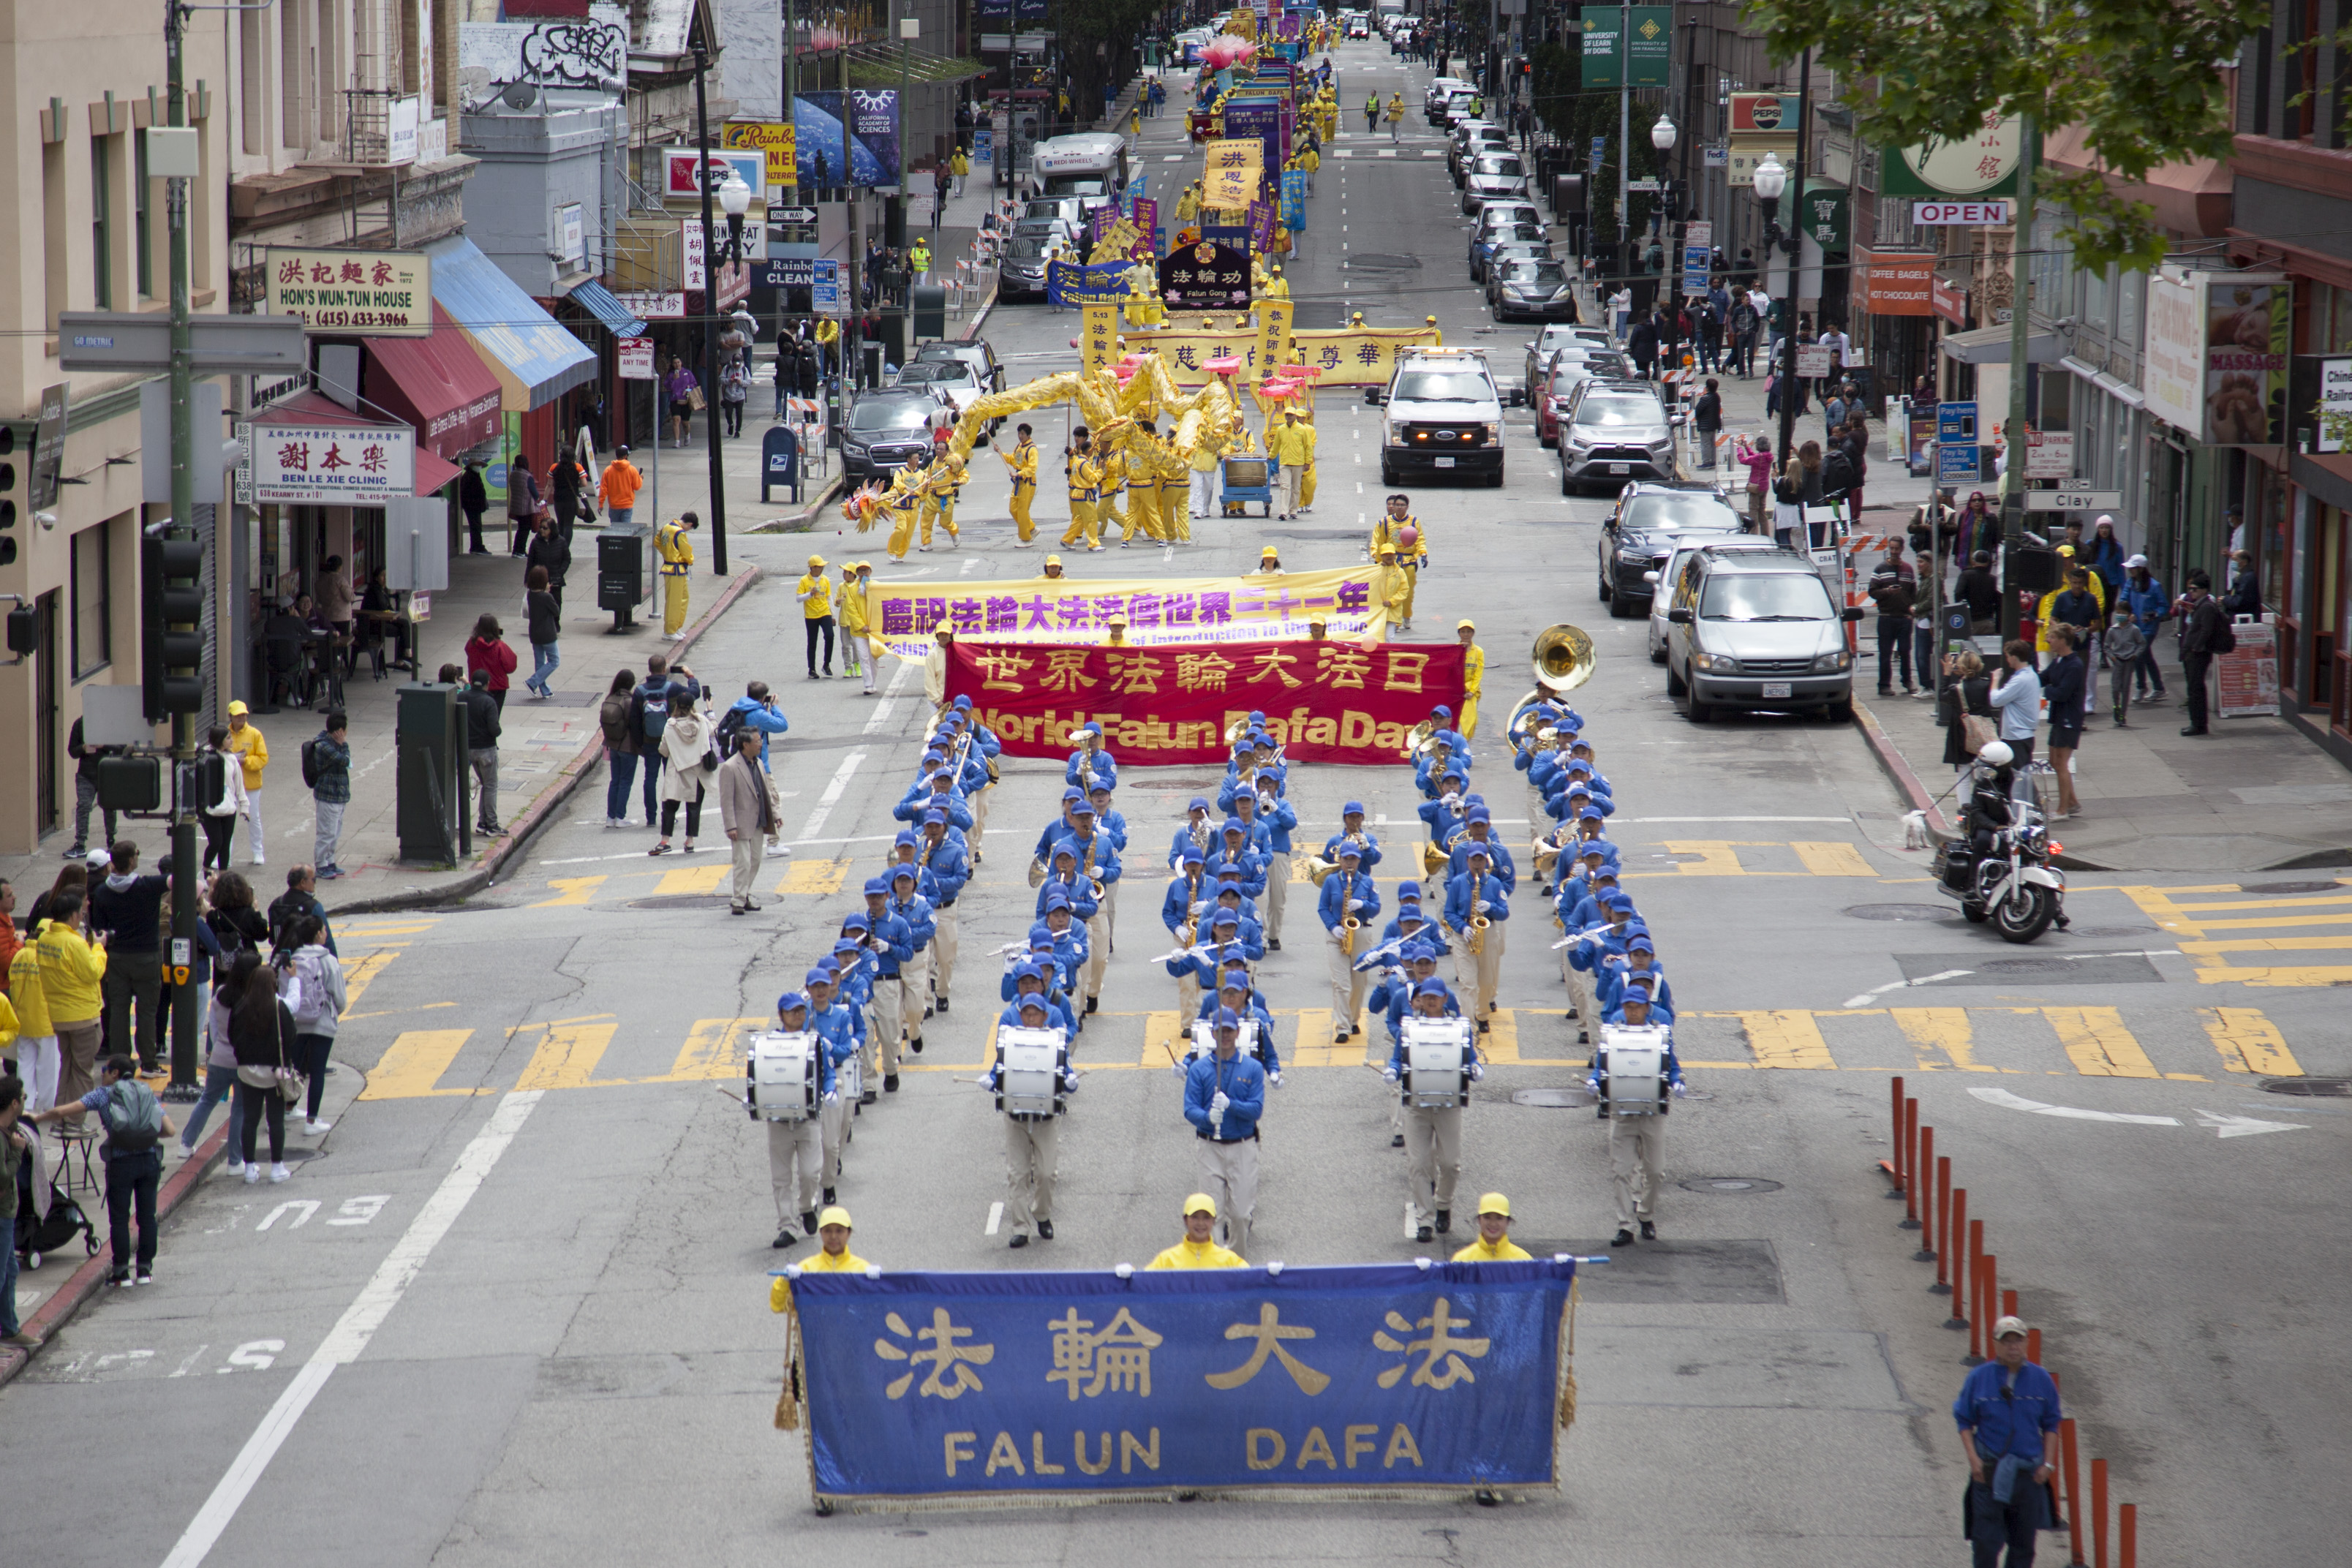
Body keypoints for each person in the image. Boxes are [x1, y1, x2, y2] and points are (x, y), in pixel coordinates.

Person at [30, 1054, 173, 1284]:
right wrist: (142, 1136)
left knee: (119, 1219)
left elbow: (64, 1111)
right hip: (149, 1162)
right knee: (147, 1218)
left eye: (105, 1069)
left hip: (120, 1164)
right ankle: (145, 1270)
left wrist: (38, 1118)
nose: (102, 1073)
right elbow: (169, 1130)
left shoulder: (104, 1094)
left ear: (115, 1073)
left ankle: (121, 1272)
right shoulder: (146, 1092)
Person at [1954, 1316, 2062, 1568]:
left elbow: (2051, 1424)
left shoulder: (2041, 1379)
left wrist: (2047, 1465)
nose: (2013, 1347)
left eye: (2018, 1340)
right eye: (2006, 1341)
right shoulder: (1978, 1378)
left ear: (2027, 1343)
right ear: (1995, 1345)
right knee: (1986, 1543)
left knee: (2023, 1547)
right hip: (1988, 1474)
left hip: (2027, 1476)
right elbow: (1963, 1421)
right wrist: (1974, 1460)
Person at [1588, 986, 1686, 1245]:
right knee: (1621, 1171)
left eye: (1637, 1007)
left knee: (1655, 1172)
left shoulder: (1658, 1035)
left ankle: (1645, 1215)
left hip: (1651, 1113)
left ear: (1646, 1008)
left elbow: (1671, 1064)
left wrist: (1677, 1082)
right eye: (1628, 1007)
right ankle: (1625, 1225)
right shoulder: (1614, 1035)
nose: (1632, 1012)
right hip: (1621, 1114)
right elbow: (1601, 1065)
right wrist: (1593, 1080)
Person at [980, 995, 1078, 1248]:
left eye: (1036, 1014)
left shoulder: (1054, 1043)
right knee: (1018, 1175)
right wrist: (990, 1082)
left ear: (1045, 1017)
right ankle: (1020, 1227)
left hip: (1046, 1119)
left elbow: (1066, 1070)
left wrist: (1071, 1081)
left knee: (1046, 1174)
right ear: (1020, 1016)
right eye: (1027, 1013)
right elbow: (999, 1070)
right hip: (1016, 1119)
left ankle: (1042, 1214)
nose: (1031, 1018)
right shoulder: (1012, 1042)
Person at [1384, 981, 1480, 1241]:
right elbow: (1397, 1057)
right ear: (1420, 999)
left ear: (1445, 999)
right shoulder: (1409, 1028)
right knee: (1418, 1164)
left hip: (1448, 1105)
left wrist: (1474, 1067)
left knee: (1450, 1164)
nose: (1430, 1001)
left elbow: (1470, 1056)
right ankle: (1425, 1219)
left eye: (1435, 997)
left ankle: (1444, 1204)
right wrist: (1393, 1070)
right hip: (1416, 1105)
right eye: (1425, 997)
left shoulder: (1459, 1027)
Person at [1183, 1007, 1266, 1259]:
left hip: (1242, 1146)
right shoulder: (1199, 1069)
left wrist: (1232, 1105)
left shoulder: (1252, 1068)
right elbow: (1189, 1109)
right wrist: (1207, 1117)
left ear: (1238, 1032)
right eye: (1221, 1031)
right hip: (1210, 1148)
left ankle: (1237, 1263)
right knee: (1213, 1214)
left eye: (1230, 1030)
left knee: (1240, 1214)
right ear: (1214, 1033)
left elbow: (1256, 1109)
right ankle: (1217, 1269)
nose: (1226, 1035)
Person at [90, 840, 169, 1072]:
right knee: (147, 1011)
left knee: (118, 1011)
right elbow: (180, 881)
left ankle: (121, 1062)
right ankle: (149, 1062)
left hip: (116, 958)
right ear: (133, 860)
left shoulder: (103, 892)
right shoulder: (148, 886)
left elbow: (100, 928)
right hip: (147, 956)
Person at [761, 992, 833, 1245]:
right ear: (781, 1015)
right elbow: (758, 1074)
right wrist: (756, 1100)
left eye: (801, 1010)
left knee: (810, 1173)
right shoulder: (768, 1044)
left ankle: (805, 1206)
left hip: (808, 1119)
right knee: (781, 1178)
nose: (798, 1015)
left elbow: (829, 1072)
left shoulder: (815, 1042)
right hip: (779, 1121)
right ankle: (787, 1227)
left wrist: (831, 1089)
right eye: (792, 1011)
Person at [227, 958, 295, 1183]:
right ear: (273, 984)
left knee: (250, 1119)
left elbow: (232, 1036)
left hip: (248, 1071)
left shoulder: (241, 1007)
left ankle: (249, 1168)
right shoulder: (279, 1007)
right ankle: (277, 1167)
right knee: (275, 1120)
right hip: (274, 1072)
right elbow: (290, 1038)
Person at [280, 914, 344, 1136]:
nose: (326, 933)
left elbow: (283, 991)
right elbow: (340, 998)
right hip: (322, 1021)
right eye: (324, 929)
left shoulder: (291, 960)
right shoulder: (328, 960)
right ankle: (312, 1121)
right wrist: (334, 1011)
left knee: (293, 1068)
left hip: (297, 1022)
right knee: (317, 1071)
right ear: (318, 934)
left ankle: (289, 1107)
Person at [717, 728, 774, 915]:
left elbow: (764, 790)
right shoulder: (730, 767)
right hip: (741, 823)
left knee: (755, 861)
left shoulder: (758, 763)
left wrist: (775, 814)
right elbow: (726, 800)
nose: (761, 744)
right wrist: (730, 825)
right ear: (745, 744)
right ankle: (738, 900)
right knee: (743, 863)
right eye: (757, 741)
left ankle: (745, 894)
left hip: (758, 820)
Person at [652, 690, 712, 855]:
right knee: (694, 806)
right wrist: (710, 711)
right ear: (693, 706)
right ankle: (690, 841)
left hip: (676, 769)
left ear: (677, 706)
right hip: (697, 771)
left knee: (670, 806)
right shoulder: (702, 722)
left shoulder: (670, 725)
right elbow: (714, 730)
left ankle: (665, 841)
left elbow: (663, 750)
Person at [2176, 568, 2230, 737]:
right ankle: (2197, 723)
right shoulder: (2200, 605)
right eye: (2190, 589)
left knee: (2196, 689)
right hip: (2193, 652)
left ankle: (2198, 724)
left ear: (2205, 590)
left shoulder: (2207, 607)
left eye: (2195, 589)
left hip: (2198, 654)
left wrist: (2195, 647)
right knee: (2193, 688)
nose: (2191, 592)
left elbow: (2206, 631)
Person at [2040, 624, 2087, 818]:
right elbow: (2043, 678)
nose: (2048, 640)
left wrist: (2046, 691)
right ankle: (2073, 802)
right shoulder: (2059, 661)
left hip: (2069, 719)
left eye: (2051, 637)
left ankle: (2063, 809)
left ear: (2062, 640)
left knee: (2061, 764)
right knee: (2054, 761)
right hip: (2058, 718)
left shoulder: (2074, 665)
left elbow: (2062, 693)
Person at [1987, 639, 2043, 796]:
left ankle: (2032, 806)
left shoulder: (2020, 680)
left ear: (2014, 657)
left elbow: (1996, 700)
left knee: (2020, 777)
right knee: (2018, 776)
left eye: (2008, 656)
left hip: (2016, 737)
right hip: (2024, 735)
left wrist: (1995, 680)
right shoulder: (2031, 676)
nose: (2007, 659)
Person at [1868, 539, 1919, 697]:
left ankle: (1907, 680)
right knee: (1885, 653)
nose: (1894, 551)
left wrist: (1911, 613)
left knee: (1905, 650)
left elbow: (1914, 593)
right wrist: (1888, 592)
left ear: (1902, 549)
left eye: (1897, 548)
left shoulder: (1908, 569)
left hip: (1904, 618)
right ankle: (1884, 685)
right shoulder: (1880, 569)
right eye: (1892, 548)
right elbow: (1872, 592)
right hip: (1886, 618)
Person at [222, 701, 270, 867]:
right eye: (238, 715)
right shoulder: (224, 734)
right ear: (230, 717)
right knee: (227, 820)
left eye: (244, 715)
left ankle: (258, 852)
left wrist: (244, 761)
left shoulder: (255, 734)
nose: (241, 718)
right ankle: (224, 857)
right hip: (229, 785)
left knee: (253, 818)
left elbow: (263, 758)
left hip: (250, 784)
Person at [1146, 1192, 1248, 1269]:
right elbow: (1143, 1281)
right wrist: (1130, 1276)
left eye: (1206, 1217)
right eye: (1195, 1217)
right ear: (1185, 1220)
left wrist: (1264, 1275)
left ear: (1214, 1221)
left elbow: (1252, 1278)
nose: (1200, 1223)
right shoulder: (1167, 1260)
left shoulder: (1229, 1260)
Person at [2118, 554, 2171, 702]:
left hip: (2148, 628)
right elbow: (2123, 600)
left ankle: (2142, 687)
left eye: (2133, 568)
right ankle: (2157, 688)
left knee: (2140, 654)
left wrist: (2152, 615)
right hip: (2134, 627)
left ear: (2140, 569)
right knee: (2145, 656)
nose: (2130, 571)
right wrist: (2127, 613)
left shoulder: (2155, 586)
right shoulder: (2130, 583)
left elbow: (2164, 607)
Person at [308, 711, 351, 880]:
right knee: (327, 832)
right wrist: (344, 745)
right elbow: (345, 760)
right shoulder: (324, 746)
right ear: (341, 731)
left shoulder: (333, 743)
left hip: (338, 795)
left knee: (335, 831)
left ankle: (330, 860)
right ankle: (321, 864)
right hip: (328, 796)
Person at [1937, 649, 1995, 775]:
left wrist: (1947, 674)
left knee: (1963, 773)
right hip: (1983, 733)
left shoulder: (1956, 689)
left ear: (1961, 667)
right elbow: (1974, 685)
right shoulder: (1986, 684)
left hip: (1962, 734)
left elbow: (1942, 696)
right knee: (1983, 771)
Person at [462, 669, 505, 837]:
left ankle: (482, 823)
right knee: (491, 786)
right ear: (487, 684)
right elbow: (495, 729)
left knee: (485, 785)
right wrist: (499, 730)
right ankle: (492, 825)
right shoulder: (489, 701)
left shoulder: (463, 697)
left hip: (468, 749)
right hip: (486, 749)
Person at [599, 668, 641, 829]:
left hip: (612, 745)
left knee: (615, 781)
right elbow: (634, 723)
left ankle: (611, 817)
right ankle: (621, 817)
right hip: (627, 746)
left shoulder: (611, 697)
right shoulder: (629, 701)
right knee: (625, 782)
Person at [1452, 1191, 1533, 1262]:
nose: (1493, 1224)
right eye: (1487, 1217)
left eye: (1499, 1218)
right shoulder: (1462, 1260)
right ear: (1479, 1220)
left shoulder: (1523, 1259)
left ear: (1508, 1221)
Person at [656, 510, 698, 640]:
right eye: (691, 528)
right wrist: (690, 560)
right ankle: (670, 630)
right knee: (676, 601)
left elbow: (657, 541)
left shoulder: (667, 527)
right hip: (676, 569)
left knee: (682, 598)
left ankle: (676, 627)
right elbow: (686, 551)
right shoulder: (680, 533)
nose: (689, 530)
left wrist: (666, 552)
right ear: (689, 524)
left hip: (670, 567)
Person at [465, 613, 518, 712]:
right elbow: (510, 667)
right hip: (497, 687)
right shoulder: (500, 647)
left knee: (478, 716)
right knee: (494, 716)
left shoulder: (471, 644)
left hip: (477, 685)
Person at [795, 554, 835, 679]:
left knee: (830, 636)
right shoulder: (804, 580)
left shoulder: (825, 580)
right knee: (812, 642)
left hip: (824, 612)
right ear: (813, 568)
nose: (822, 569)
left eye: (822, 567)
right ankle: (811, 669)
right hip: (811, 615)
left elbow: (829, 597)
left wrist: (833, 614)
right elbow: (798, 598)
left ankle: (826, 664)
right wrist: (809, 594)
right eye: (819, 567)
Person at [1268, 407, 1313, 521]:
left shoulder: (1302, 429)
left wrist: (1308, 462)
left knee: (1296, 488)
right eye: (1287, 415)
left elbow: (1308, 447)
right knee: (1285, 487)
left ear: (1295, 416)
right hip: (1284, 463)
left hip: (1298, 463)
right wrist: (1271, 456)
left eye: (1291, 415)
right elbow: (1276, 445)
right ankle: (1283, 512)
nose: (1289, 417)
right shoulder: (1281, 429)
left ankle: (1293, 510)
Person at [1000, 423, 1039, 544]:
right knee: (1013, 509)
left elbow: (1032, 468)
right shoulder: (1019, 447)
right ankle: (1031, 528)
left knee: (1022, 511)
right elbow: (1013, 459)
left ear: (1028, 435)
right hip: (1018, 483)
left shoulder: (1032, 449)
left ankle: (1026, 538)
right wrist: (1000, 453)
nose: (1020, 436)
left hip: (1027, 482)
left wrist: (1019, 474)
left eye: (1022, 434)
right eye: (1019, 433)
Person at [526, 513, 572, 614]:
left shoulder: (561, 541)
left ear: (552, 529)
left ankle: (556, 623)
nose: (542, 530)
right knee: (540, 604)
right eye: (541, 527)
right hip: (539, 579)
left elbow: (567, 559)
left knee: (556, 602)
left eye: (545, 528)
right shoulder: (535, 542)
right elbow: (530, 562)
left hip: (555, 578)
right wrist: (527, 579)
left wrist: (560, 572)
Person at [837, 562, 872, 692]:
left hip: (874, 629)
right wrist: (861, 625)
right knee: (861, 654)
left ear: (870, 572)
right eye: (861, 571)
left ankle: (872, 681)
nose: (863, 573)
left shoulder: (876, 587)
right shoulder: (850, 588)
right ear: (857, 573)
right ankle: (867, 685)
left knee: (873, 659)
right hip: (856, 628)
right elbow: (851, 609)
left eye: (866, 571)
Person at [598, 445, 642, 529]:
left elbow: (603, 489)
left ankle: (615, 543)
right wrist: (640, 479)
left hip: (614, 506)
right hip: (627, 505)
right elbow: (637, 486)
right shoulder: (632, 470)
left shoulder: (608, 470)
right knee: (625, 531)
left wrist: (601, 504)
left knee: (615, 530)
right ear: (626, 456)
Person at [505, 456, 542, 557]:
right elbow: (535, 493)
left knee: (520, 529)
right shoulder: (527, 476)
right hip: (526, 507)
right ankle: (520, 550)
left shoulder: (513, 474)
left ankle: (516, 550)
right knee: (524, 530)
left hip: (516, 505)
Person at [664, 355, 699, 447]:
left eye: (678, 362)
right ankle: (677, 441)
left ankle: (687, 435)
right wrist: (673, 379)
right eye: (675, 363)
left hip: (686, 400)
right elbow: (667, 386)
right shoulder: (671, 375)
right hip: (675, 400)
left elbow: (694, 384)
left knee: (685, 423)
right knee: (676, 420)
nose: (677, 364)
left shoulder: (688, 373)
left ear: (681, 363)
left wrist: (689, 388)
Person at [460, 459, 491, 554]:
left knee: (476, 527)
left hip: (475, 506)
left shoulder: (474, 475)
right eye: (477, 464)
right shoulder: (469, 476)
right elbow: (468, 493)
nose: (479, 467)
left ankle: (477, 546)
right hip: (472, 506)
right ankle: (477, 547)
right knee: (476, 527)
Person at [1691, 377, 1722, 469]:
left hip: (1705, 425)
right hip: (1714, 424)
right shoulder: (1716, 397)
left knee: (1705, 444)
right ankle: (1712, 461)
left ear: (1707, 387)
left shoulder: (1705, 398)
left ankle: (1706, 461)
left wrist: (1698, 418)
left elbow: (1698, 410)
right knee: (1712, 443)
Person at [720, 352, 749, 438]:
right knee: (728, 413)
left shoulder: (744, 369)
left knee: (739, 414)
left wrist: (741, 382)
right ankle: (731, 424)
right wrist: (730, 380)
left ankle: (737, 430)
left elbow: (748, 381)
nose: (737, 366)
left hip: (740, 396)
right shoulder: (727, 368)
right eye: (735, 363)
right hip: (729, 395)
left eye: (738, 364)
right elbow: (721, 379)